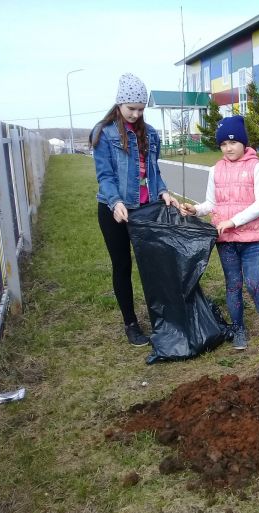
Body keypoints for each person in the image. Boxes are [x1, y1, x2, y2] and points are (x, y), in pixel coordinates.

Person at [91, 73, 179, 347]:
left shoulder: (151, 133)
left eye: (141, 109)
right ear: (119, 104)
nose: (136, 114)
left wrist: (163, 191)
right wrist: (116, 202)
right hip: (114, 211)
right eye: (131, 108)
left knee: (153, 264)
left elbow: (154, 171)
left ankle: (162, 318)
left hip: (146, 208)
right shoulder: (104, 133)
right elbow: (104, 176)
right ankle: (130, 323)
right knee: (123, 265)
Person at [180, 116, 259, 351]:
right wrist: (196, 209)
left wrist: (233, 221)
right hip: (225, 242)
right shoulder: (215, 170)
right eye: (224, 144)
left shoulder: (256, 167)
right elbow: (211, 203)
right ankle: (238, 329)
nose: (229, 148)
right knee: (233, 285)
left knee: (254, 283)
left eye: (233, 142)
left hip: (252, 240)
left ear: (243, 143)